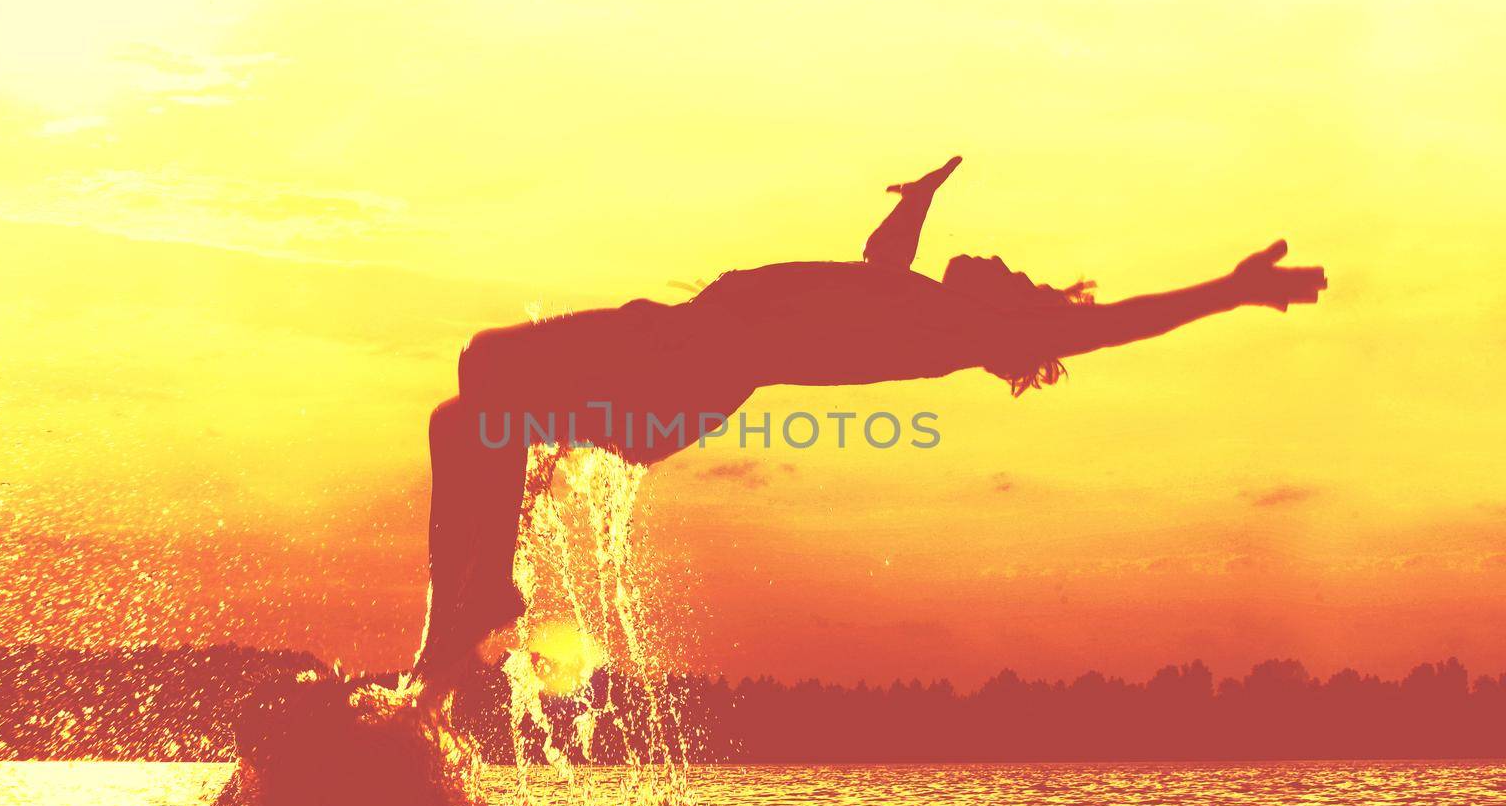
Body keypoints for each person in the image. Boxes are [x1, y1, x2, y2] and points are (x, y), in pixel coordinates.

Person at [415, 158, 1326, 683]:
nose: (1003, 258)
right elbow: (879, 268)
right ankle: (444, 639)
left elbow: (1117, 322)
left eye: (1014, 271)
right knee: (461, 419)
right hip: (681, 359)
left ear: (1017, 313)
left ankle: (489, 584)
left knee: (485, 370)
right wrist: (917, 203)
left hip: (683, 368)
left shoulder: (969, 325)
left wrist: (1232, 291)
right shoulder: (918, 301)